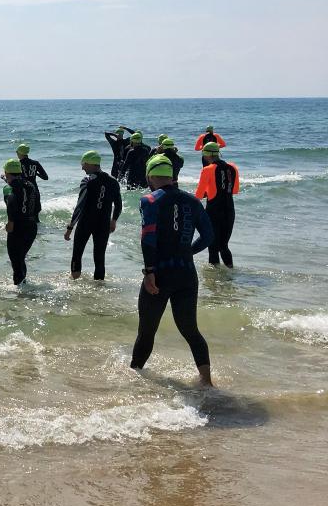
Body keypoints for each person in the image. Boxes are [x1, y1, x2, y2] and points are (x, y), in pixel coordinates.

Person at [131, 155, 215, 386]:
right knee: (191, 330)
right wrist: (187, 252)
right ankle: (207, 382)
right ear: (171, 176)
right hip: (187, 274)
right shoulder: (193, 201)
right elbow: (208, 237)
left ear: (150, 176)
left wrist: (149, 272)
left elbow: (149, 237)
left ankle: (135, 378)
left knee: (147, 331)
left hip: (159, 273)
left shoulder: (149, 200)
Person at [64, 150, 122, 280]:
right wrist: (113, 220)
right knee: (100, 257)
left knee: (77, 253)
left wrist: (70, 227)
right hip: (103, 223)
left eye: (84, 164)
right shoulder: (113, 181)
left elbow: (80, 205)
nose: (82, 167)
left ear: (91, 164)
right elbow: (118, 204)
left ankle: (74, 286)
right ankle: (99, 290)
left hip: (86, 222)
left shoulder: (87, 181)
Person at [194, 142, 240, 267]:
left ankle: (214, 281)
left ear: (206, 155)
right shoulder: (233, 167)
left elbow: (198, 195)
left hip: (213, 211)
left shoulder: (207, 169)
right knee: (224, 246)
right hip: (229, 210)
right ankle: (230, 274)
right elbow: (234, 190)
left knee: (213, 247)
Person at [3, 158, 41, 285]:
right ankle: (23, 284)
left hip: (17, 228)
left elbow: (11, 203)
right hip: (31, 226)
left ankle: (19, 291)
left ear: (7, 172)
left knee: (15, 260)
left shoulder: (8, 189)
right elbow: (36, 206)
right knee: (21, 258)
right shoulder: (30, 185)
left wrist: (10, 223)